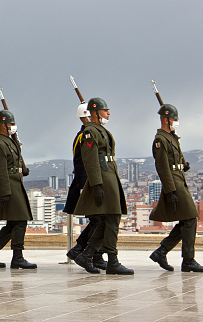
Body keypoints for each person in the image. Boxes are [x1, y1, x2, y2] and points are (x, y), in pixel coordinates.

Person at [73, 98, 133, 275]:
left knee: (108, 220)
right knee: (113, 218)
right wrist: (96, 184)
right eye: (105, 110)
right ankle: (112, 260)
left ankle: (87, 254)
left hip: (109, 176)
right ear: (96, 112)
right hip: (103, 178)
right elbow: (90, 161)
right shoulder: (90, 132)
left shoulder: (101, 130)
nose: (109, 113)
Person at [149, 104, 203, 272]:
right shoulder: (160, 140)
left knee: (186, 219)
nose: (176, 121)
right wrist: (170, 192)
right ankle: (187, 260)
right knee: (190, 217)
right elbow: (162, 167)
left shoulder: (171, 137)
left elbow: (173, 160)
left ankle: (162, 252)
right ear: (166, 119)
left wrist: (182, 165)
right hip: (174, 183)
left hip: (179, 178)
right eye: (174, 119)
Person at [0, 110, 36, 269]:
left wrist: (22, 170)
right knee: (20, 221)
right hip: (10, 188)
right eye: (11, 124)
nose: (13, 126)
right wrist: (4, 193)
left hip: (16, 184)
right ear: (3, 125)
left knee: (14, 223)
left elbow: (13, 164)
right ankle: (17, 257)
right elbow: (0, 171)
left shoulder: (10, 142)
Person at [63, 104, 106, 270]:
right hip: (87, 184)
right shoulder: (83, 136)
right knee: (99, 221)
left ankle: (91, 254)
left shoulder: (94, 134)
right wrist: (84, 186)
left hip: (95, 183)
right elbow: (80, 163)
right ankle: (83, 251)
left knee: (99, 220)